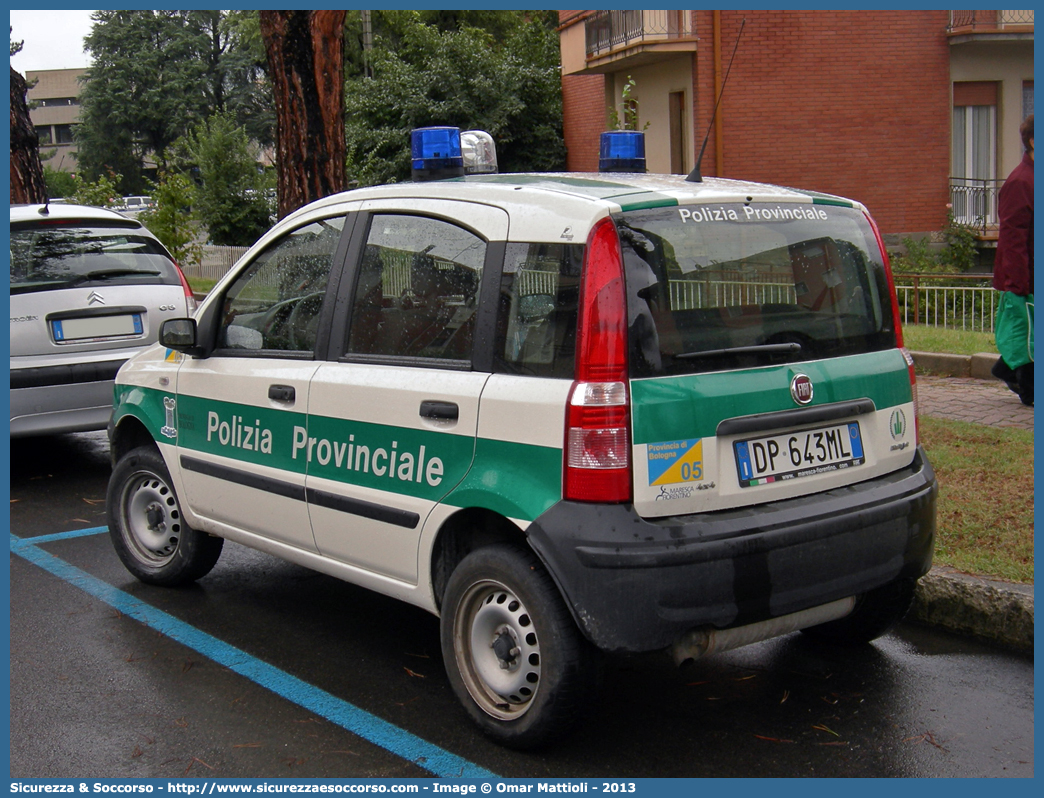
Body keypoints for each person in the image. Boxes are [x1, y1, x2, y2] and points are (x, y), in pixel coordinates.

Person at [991, 114, 1034, 406]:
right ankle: (1029, 389)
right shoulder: (1021, 182)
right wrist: (1018, 282)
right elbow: (1012, 236)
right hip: (1025, 276)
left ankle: (1005, 369)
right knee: (1027, 335)